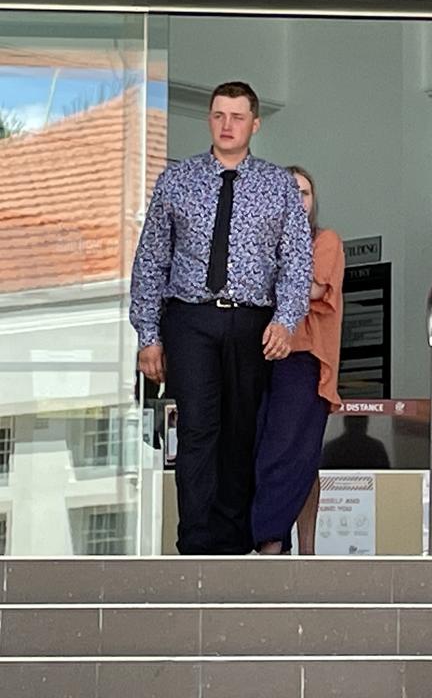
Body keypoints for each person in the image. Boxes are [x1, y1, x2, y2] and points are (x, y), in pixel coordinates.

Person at [129, 81, 312, 555]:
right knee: (196, 429)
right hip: (190, 320)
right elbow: (151, 258)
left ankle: (231, 546)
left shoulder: (277, 186)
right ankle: (195, 543)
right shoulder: (177, 180)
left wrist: (286, 320)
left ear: (255, 123)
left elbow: (296, 260)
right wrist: (148, 334)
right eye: (217, 115)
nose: (226, 125)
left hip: (252, 323)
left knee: (240, 431)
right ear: (209, 119)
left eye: (236, 116)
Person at [251, 165, 345, 555]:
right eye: (288, 191)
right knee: (264, 450)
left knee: (292, 454)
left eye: (304, 192)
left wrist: (266, 278)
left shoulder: (324, 240)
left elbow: (311, 288)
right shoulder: (256, 240)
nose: (296, 198)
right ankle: (280, 542)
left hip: (304, 355)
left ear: (313, 201)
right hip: (259, 355)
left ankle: (274, 541)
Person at [321, 415, 391, 470]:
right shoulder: (376, 447)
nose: (357, 426)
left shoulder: (332, 447)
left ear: (345, 423)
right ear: (366, 424)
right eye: (356, 424)